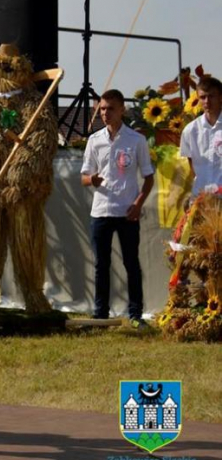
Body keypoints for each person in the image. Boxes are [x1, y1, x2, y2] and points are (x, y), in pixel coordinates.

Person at [81, 89, 154, 328]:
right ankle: (100, 314)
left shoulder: (136, 140)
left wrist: (137, 204)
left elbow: (149, 177)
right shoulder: (94, 140)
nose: (105, 113)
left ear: (122, 109)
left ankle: (135, 315)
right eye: (102, 108)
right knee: (101, 265)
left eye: (110, 108)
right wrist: (91, 180)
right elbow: (83, 176)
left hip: (126, 212)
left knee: (131, 263)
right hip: (101, 211)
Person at [180, 76, 222, 196]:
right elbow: (192, 168)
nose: (207, 101)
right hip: (201, 198)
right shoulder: (190, 131)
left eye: (211, 96)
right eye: (203, 97)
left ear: (220, 97)